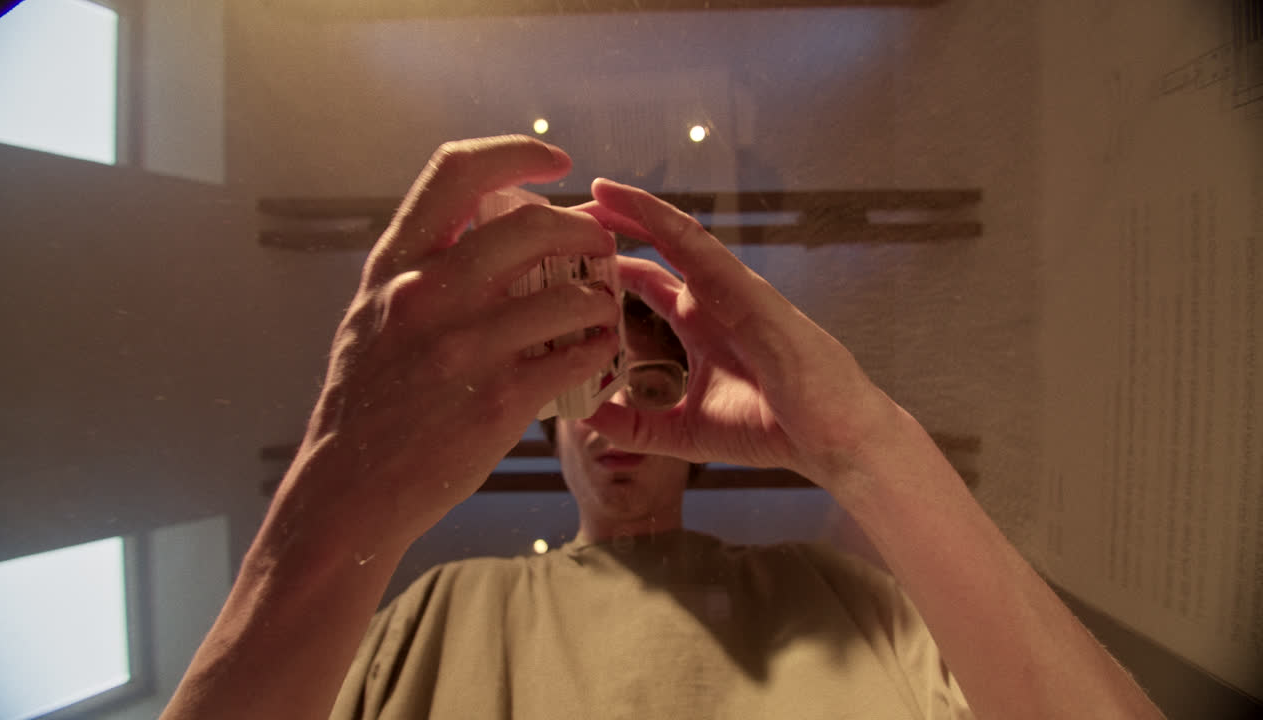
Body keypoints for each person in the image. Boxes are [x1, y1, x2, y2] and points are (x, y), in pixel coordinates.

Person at [159, 136, 1165, 720]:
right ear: (544, 429)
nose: (613, 419)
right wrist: (340, 497)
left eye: (637, 381)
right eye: (580, 386)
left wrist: (861, 444)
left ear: (692, 418)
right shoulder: (440, 611)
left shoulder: (839, 598)